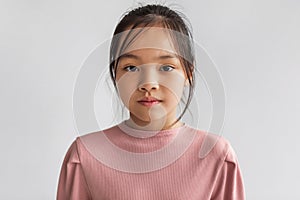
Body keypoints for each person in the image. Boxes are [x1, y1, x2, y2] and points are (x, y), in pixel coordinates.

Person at [56, 4, 245, 200]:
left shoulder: (217, 157)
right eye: (130, 67)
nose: (148, 84)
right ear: (115, 74)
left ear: (188, 72)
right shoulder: (84, 156)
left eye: (166, 67)